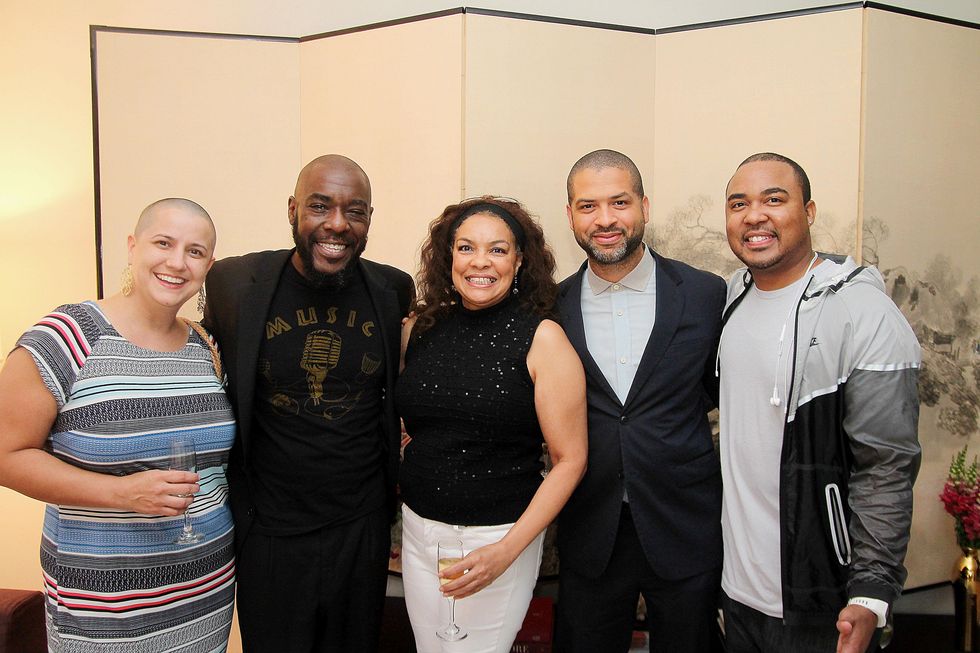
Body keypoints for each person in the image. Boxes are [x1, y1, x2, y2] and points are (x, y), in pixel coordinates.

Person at [0, 198, 236, 651]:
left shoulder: (205, 347)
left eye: (195, 251)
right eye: (163, 243)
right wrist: (122, 494)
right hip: (104, 604)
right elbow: (8, 455)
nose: (176, 262)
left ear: (209, 264)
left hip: (204, 593)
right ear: (132, 247)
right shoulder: (66, 337)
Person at [202, 154, 413, 652]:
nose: (337, 224)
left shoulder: (392, 290)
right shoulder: (232, 284)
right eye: (320, 206)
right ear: (293, 209)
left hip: (361, 526)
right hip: (268, 529)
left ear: (368, 219)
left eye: (354, 210)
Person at [718, 152, 921, 653]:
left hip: (823, 602)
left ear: (808, 212)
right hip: (735, 595)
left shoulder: (865, 314)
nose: (755, 215)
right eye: (738, 203)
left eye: (774, 199)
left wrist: (872, 592)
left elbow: (886, 467)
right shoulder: (730, 298)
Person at [396, 196, 588, 653]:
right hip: (419, 533)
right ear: (449, 257)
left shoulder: (543, 338)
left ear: (520, 260)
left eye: (498, 250)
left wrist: (507, 551)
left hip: (496, 541)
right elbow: (421, 419)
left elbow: (570, 460)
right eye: (466, 248)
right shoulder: (420, 328)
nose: (480, 262)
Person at [554, 150, 726, 653]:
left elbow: (718, 392)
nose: (605, 220)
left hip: (684, 523)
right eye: (587, 206)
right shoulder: (550, 306)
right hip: (592, 530)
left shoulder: (704, 294)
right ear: (570, 215)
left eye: (619, 202)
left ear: (645, 207)